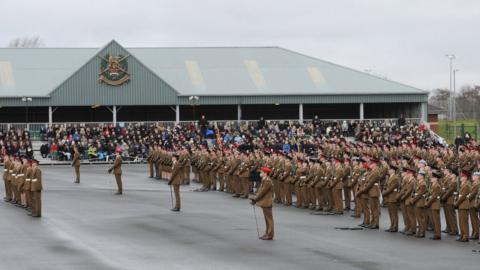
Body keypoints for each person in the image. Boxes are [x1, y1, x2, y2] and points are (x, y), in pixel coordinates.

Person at [250, 166, 274, 240]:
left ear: (265, 173)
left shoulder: (267, 181)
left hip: (267, 202)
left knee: (269, 220)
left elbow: (262, 192)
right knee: (267, 220)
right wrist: (255, 198)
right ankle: (267, 233)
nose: (260, 173)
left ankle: (270, 235)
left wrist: (255, 199)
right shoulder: (264, 180)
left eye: (261, 172)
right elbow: (260, 191)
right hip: (265, 202)